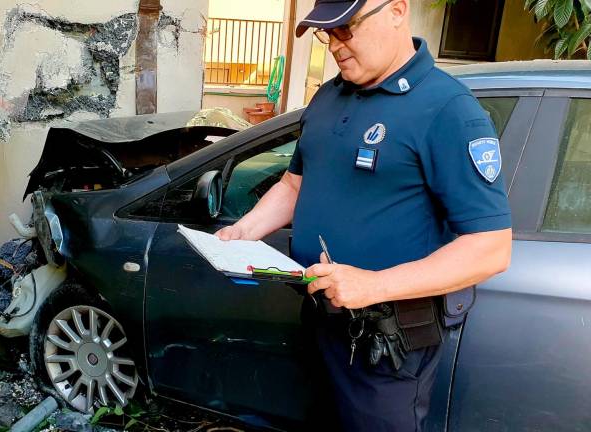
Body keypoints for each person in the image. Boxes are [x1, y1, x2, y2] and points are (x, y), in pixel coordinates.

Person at [216, 0, 512, 430]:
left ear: (396, 11)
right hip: (321, 316)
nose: (335, 45)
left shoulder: (447, 109)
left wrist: (375, 284)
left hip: (387, 338)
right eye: (327, 33)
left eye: (346, 28)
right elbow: (293, 185)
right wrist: (246, 230)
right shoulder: (329, 96)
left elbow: (490, 249)